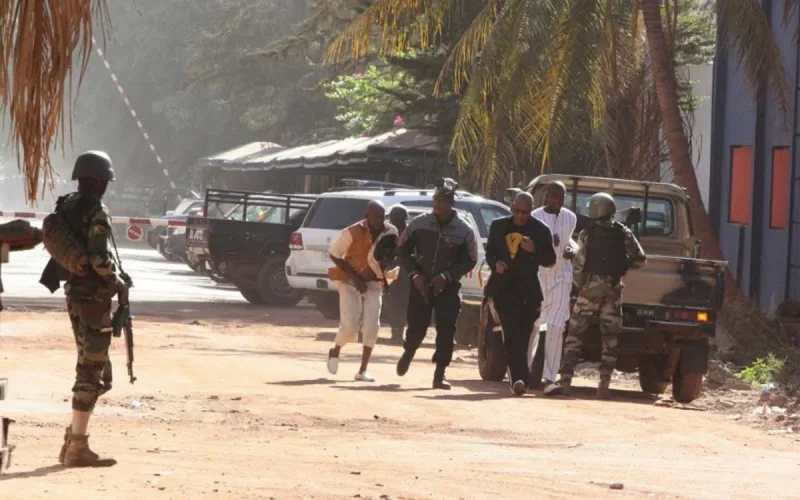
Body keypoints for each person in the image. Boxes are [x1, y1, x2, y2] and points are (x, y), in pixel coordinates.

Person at [59, 151, 127, 467]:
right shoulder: (97, 211)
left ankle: (74, 436)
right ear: (100, 181)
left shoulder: (68, 205)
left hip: (75, 294)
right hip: (93, 299)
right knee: (91, 372)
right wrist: (117, 281)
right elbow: (100, 260)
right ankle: (77, 447)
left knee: (99, 373)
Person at [555, 192, 646, 400]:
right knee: (610, 340)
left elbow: (579, 264)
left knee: (574, 337)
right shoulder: (624, 232)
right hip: (613, 291)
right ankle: (604, 386)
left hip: (589, 292)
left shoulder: (587, 234)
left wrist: (582, 286)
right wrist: (622, 265)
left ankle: (565, 383)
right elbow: (641, 260)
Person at [396, 178, 478, 390]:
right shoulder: (419, 223)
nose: (437, 204)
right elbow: (402, 249)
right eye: (435, 199)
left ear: (451, 203)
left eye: (442, 200)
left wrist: (448, 276)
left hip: (448, 288)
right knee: (416, 324)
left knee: (446, 330)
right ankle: (409, 352)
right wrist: (414, 274)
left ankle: (439, 374)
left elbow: (470, 259)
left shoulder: (464, 230)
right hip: (420, 284)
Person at [484, 192, 556, 396]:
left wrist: (534, 249)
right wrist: (494, 263)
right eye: (517, 211)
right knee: (511, 333)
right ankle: (518, 379)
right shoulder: (499, 226)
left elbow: (550, 260)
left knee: (523, 338)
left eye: (525, 212)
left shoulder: (541, 230)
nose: (520, 216)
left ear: (531, 210)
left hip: (529, 291)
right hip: (503, 289)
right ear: (511, 208)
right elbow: (490, 251)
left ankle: (520, 377)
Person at [326, 201, 398, 382]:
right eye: (377, 217)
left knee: (372, 326)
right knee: (350, 326)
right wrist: (355, 278)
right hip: (350, 282)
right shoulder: (352, 231)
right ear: (368, 216)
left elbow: (391, 256)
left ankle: (362, 370)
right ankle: (335, 350)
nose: (381, 221)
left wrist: (388, 262)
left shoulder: (391, 232)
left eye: (383, 217)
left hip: (374, 283)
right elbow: (334, 253)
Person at [528, 182, 578, 396]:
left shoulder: (570, 217)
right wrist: (547, 244)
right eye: (552, 196)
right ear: (546, 196)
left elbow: (572, 241)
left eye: (560, 196)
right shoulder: (535, 217)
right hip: (539, 276)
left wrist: (571, 249)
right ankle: (527, 373)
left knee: (556, 327)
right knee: (534, 326)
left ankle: (550, 378)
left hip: (562, 277)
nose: (556, 200)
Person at [385, 205, 410, 344]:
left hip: (405, 273)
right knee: (392, 303)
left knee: (401, 303)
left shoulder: (410, 233)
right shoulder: (390, 233)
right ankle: (396, 332)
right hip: (392, 272)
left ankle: (398, 332)